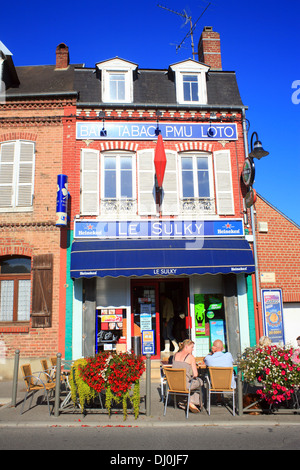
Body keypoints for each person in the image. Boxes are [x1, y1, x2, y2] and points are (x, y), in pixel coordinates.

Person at [172, 339, 203, 413]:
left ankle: (183, 402)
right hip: (185, 385)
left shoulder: (175, 355)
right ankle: (192, 402)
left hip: (174, 384)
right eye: (192, 347)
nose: (193, 349)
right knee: (199, 381)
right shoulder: (190, 357)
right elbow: (195, 374)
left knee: (191, 382)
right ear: (186, 347)